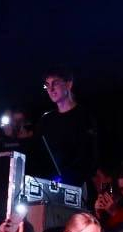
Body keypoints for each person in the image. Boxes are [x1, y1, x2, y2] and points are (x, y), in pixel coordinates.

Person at [35, 67, 99, 197]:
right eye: (47, 85)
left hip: (79, 185)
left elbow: (90, 154)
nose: (51, 89)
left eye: (55, 83)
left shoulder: (85, 116)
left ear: (69, 84)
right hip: (51, 185)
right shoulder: (46, 120)